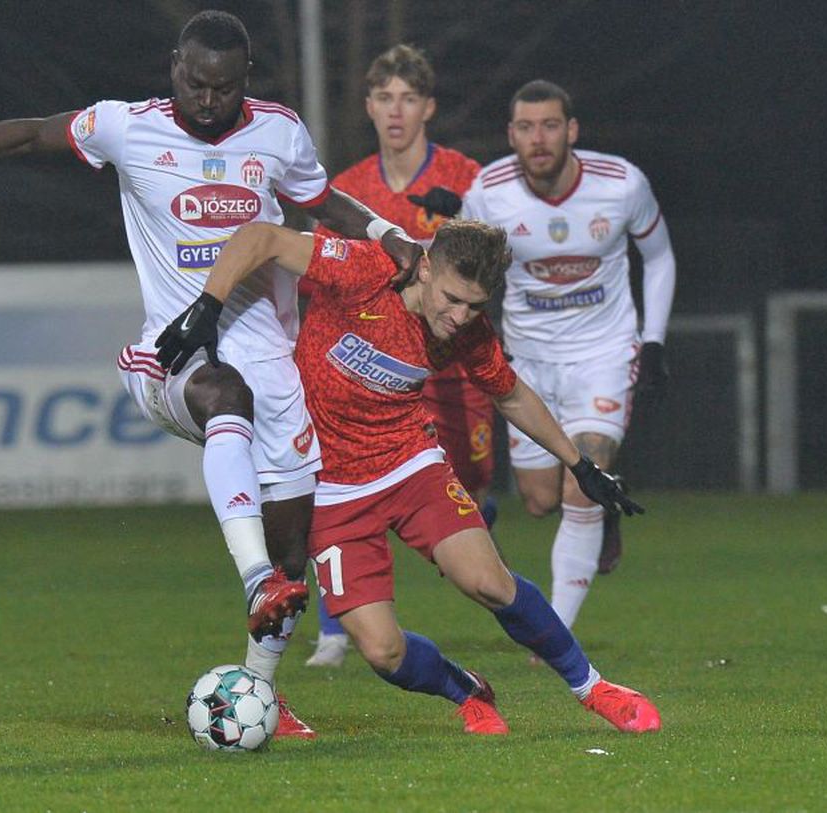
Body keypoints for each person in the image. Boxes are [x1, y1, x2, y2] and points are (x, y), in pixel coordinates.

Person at [0, 10, 420, 739]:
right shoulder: (127, 126)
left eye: (220, 87)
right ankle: (254, 580)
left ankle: (266, 692)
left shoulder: (278, 131)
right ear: (173, 66)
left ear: (244, 80)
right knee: (225, 395)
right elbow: (29, 131)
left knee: (292, 549)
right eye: (191, 80)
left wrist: (384, 231)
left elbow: (321, 199)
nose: (204, 98)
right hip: (169, 349)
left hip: (271, 358)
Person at [156, 218, 661, 735]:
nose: (461, 316)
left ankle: (595, 689)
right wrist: (208, 306)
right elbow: (259, 238)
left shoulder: (464, 333)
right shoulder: (361, 271)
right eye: (452, 298)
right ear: (424, 267)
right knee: (382, 651)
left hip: (410, 464)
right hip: (329, 488)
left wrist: (577, 463)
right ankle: (464, 689)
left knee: (489, 583)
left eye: (475, 306)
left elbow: (508, 393)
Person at [460, 79, 676, 630]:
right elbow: (465, 272)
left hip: (603, 353)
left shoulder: (622, 183)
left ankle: (556, 632)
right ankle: (603, 515)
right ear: (511, 135)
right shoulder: (489, 192)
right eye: (526, 128)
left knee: (583, 480)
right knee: (537, 500)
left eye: (550, 126)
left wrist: (652, 341)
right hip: (527, 362)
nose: (539, 139)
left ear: (572, 130)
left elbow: (659, 257)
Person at [303, 44, 493, 669]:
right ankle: (337, 627)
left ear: (427, 107)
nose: (395, 110)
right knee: (345, 478)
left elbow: (495, 265)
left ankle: (470, 541)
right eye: (384, 97)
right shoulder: (349, 190)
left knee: (470, 483)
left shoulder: (468, 178)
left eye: (408, 98)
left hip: (448, 363)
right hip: (372, 366)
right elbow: (323, 279)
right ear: (368, 106)